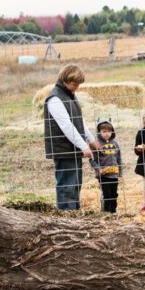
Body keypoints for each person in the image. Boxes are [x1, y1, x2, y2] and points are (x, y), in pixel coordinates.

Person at [44, 64, 101, 210]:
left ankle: (75, 216)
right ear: (65, 80)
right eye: (74, 84)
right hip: (64, 149)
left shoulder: (70, 96)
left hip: (73, 148)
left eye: (78, 84)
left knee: (75, 185)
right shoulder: (55, 99)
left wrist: (91, 139)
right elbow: (66, 126)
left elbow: (78, 120)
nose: (76, 87)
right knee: (67, 186)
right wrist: (83, 146)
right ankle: (66, 217)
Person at [89, 118, 122, 213]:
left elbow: (119, 159)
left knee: (114, 194)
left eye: (109, 131)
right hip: (103, 175)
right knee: (107, 195)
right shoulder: (96, 144)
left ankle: (113, 211)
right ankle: (107, 213)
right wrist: (98, 169)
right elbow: (92, 160)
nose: (107, 133)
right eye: (104, 131)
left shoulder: (115, 144)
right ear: (99, 132)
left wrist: (120, 173)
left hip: (114, 174)